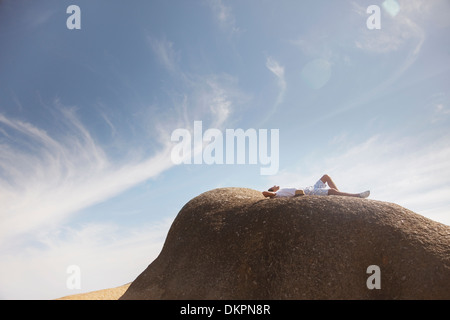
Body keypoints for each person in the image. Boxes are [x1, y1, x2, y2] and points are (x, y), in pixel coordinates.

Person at [262, 174, 370, 199]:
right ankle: (357, 196)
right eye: (273, 186)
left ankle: (339, 196)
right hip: (310, 193)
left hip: (311, 188)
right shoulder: (278, 193)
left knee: (326, 177)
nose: (275, 185)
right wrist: (270, 193)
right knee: (331, 191)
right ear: (272, 189)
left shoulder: (281, 190)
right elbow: (265, 193)